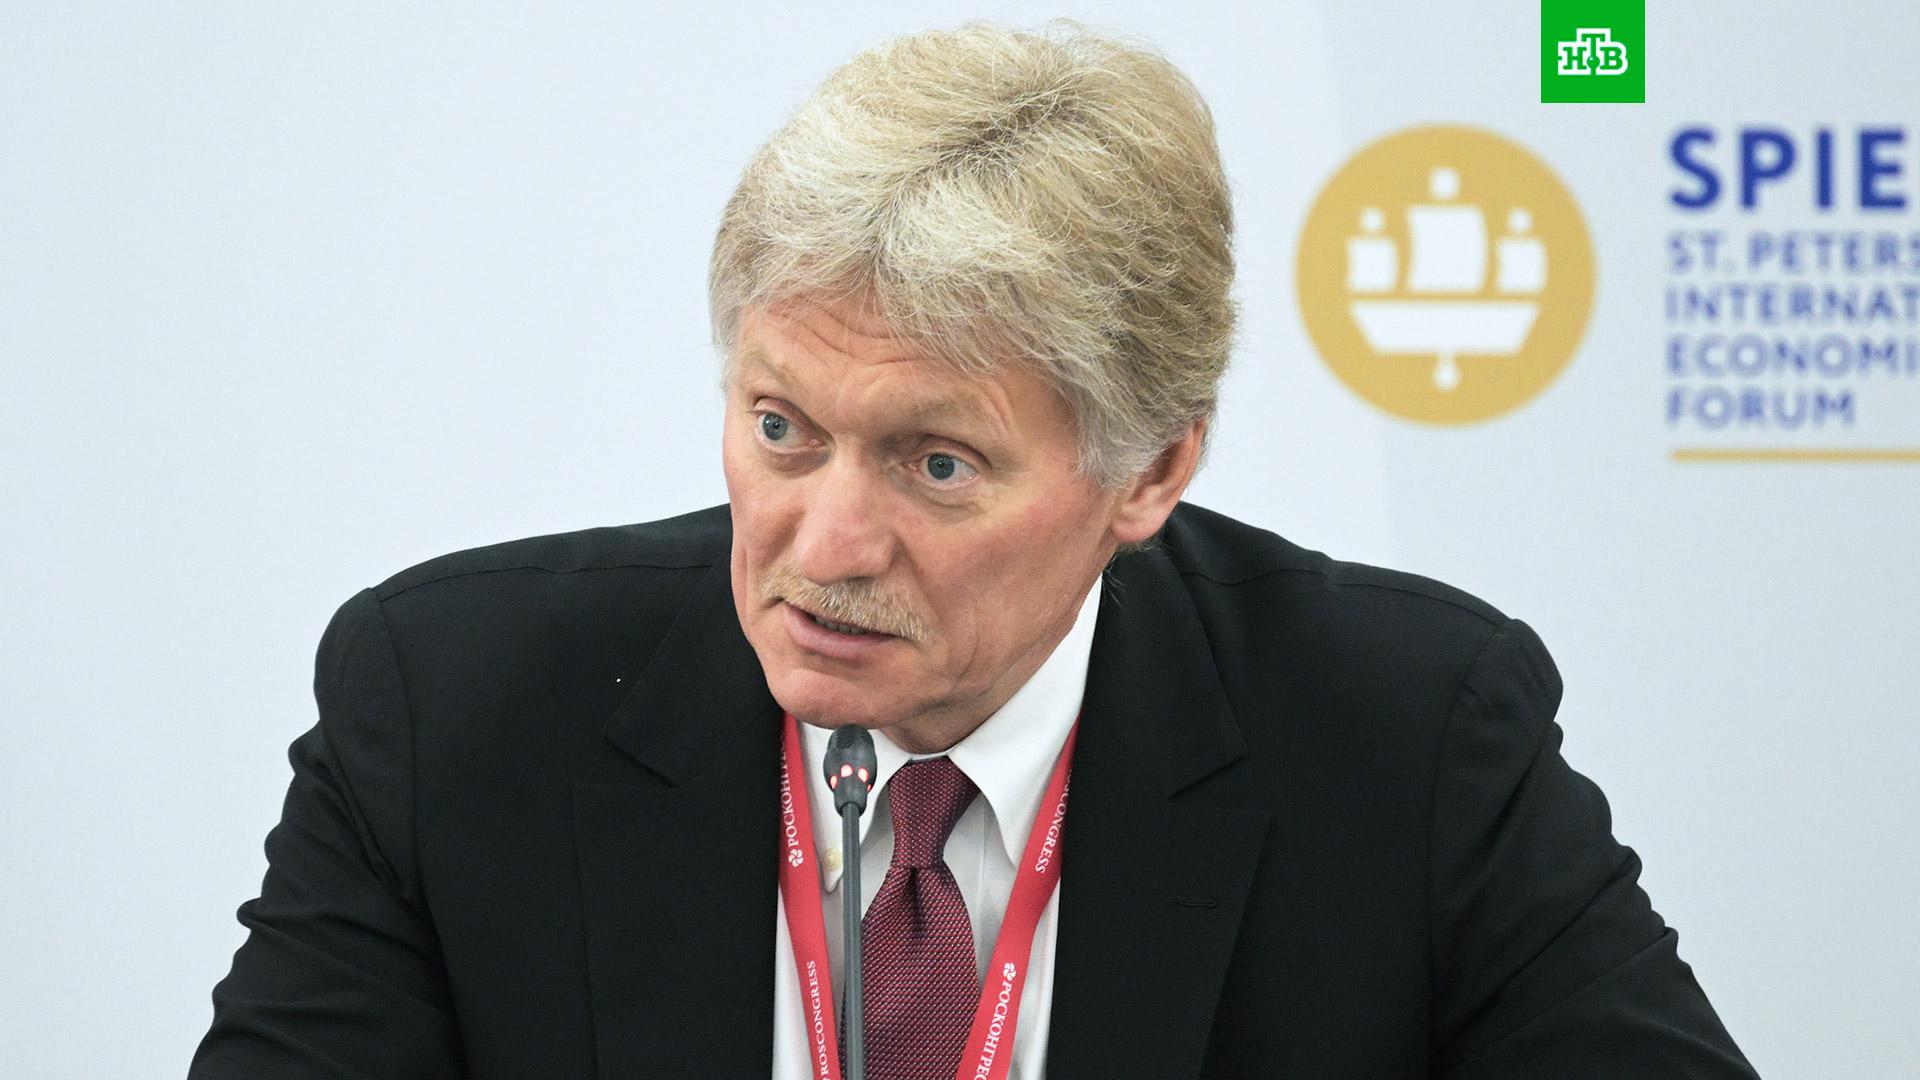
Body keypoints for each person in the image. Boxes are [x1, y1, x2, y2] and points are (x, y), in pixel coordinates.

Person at [189, 20, 1759, 1080]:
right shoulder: (452, 710)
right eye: (782, 429)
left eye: (936, 464)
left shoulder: (1408, 739)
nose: (826, 541)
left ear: (1152, 469)